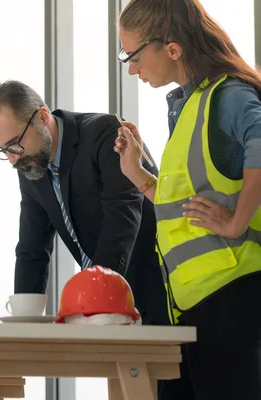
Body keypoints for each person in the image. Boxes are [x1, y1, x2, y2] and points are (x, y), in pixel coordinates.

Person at [114, 1, 261, 399]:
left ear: (173, 49)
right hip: (192, 306)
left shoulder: (228, 95)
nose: (131, 68)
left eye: (134, 55)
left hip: (234, 301)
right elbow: (187, 205)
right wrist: (138, 175)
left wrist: (236, 222)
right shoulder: (189, 106)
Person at [0, 80, 169, 326]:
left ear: (43, 116)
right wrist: (25, 323)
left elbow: (121, 219)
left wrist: (95, 299)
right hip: (103, 309)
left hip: (156, 291)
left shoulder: (104, 133)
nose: (12, 160)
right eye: (3, 150)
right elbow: (32, 248)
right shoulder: (30, 164)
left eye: (15, 144)